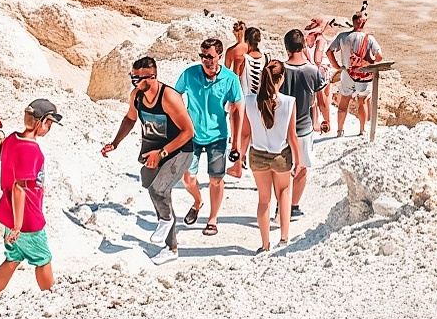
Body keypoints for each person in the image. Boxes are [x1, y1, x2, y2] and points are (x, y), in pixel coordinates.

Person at [102, 57, 194, 264]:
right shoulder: (136, 95)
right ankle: (169, 240)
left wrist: (161, 153)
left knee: (158, 190)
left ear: (151, 77)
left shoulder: (169, 97)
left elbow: (188, 132)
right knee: (156, 191)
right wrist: (115, 143)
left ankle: (169, 238)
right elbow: (130, 119)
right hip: (152, 149)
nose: (134, 83)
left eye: (137, 79)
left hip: (179, 150)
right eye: (132, 78)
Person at [0, 100, 60, 299]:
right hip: (27, 218)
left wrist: (13, 223)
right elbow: (19, 188)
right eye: (50, 123)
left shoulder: (12, 139)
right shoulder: (32, 150)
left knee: (12, 258)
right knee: (43, 259)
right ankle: (52, 300)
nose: (50, 128)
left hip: (10, 212)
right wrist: (18, 226)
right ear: (42, 122)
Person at [175, 38, 242, 237]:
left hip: (218, 136)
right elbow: (175, 95)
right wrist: (180, 120)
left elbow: (237, 110)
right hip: (191, 135)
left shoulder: (230, 79)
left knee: (215, 179)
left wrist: (236, 143)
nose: (206, 60)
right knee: (187, 179)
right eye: (203, 56)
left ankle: (213, 219)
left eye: (210, 56)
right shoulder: (189, 74)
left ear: (219, 56)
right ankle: (197, 202)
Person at [240, 62, 301, 253]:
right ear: (281, 78)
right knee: (283, 193)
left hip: (257, 154)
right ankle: (283, 238)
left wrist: (239, 156)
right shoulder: (289, 102)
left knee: (263, 199)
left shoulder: (249, 101)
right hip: (281, 155)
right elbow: (292, 136)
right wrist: (298, 160)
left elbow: (245, 133)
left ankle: (265, 244)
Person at [280, 29, 326, 221]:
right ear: (303, 46)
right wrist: (326, 119)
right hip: (303, 127)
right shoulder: (312, 71)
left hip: (281, 128)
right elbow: (321, 98)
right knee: (302, 168)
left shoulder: (279, 69)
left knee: (282, 168)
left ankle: (280, 205)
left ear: (286, 47)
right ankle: (293, 206)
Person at [327, 13, 383, 137]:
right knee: (362, 101)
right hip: (363, 75)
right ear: (363, 23)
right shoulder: (369, 39)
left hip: (347, 72)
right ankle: (362, 130)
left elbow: (329, 51)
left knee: (344, 101)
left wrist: (336, 66)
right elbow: (379, 57)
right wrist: (369, 59)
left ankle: (340, 131)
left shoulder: (343, 36)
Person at [304, 18, 333, 132]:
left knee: (322, 99)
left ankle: (327, 123)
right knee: (314, 99)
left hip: (322, 71)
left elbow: (317, 59)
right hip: (313, 70)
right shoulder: (306, 41)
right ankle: (316, 123)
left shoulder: (320, 40)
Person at [238, 27, 266, 100]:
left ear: (247, 41)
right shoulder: (266, 57)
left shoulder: (242, 59)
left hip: (245, 104)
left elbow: (236, 81)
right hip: (262, 103)